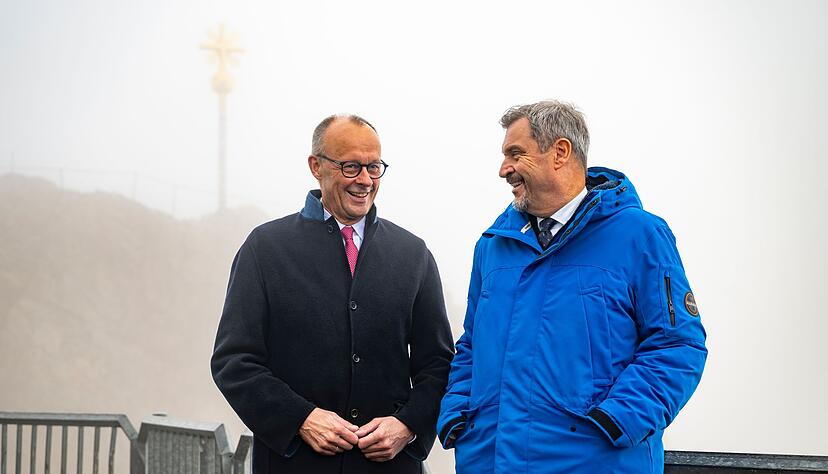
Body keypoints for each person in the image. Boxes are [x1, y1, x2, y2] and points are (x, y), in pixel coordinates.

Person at [437, 101, 707, 473]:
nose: (504, 169)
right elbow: (471, 346)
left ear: (560, 152)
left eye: (515, 154)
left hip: (595, 462)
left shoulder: (640, 235)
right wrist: (456, 418)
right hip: (490, 461)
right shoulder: (493, 246)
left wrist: (617, 421)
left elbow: (677, 346)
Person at [212, 114, 454, 474]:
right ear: (316, 166)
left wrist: (407, 426)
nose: (365, 180)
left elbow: (438, 364)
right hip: (293, 465)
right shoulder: (264, 248)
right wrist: (300, 418)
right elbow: (234, 361)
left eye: (374, 167)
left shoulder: (413, 253)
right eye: (351, 166)